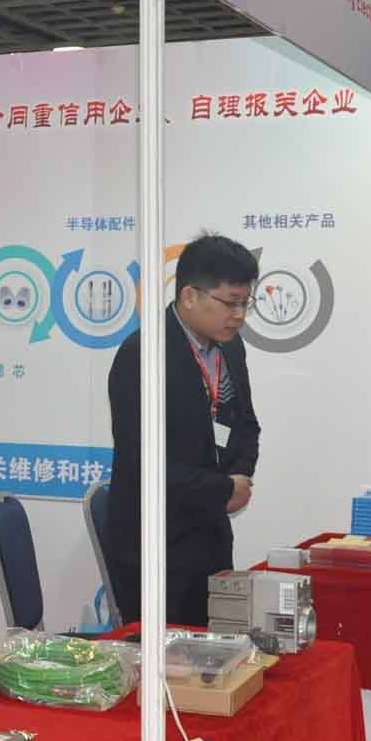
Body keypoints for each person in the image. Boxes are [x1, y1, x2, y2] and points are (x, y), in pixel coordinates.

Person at [102, 233, 261, 628]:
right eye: (230, 302)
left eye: (245, 303)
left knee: (214, 653)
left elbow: (246, 424)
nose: (239, 315)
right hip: (156, 546)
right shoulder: (142, 356)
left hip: (211, 536)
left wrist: (240, 477)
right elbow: (144, 462)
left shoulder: (231, 348)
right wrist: (222, 490)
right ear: (189, 295)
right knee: (168, 660)